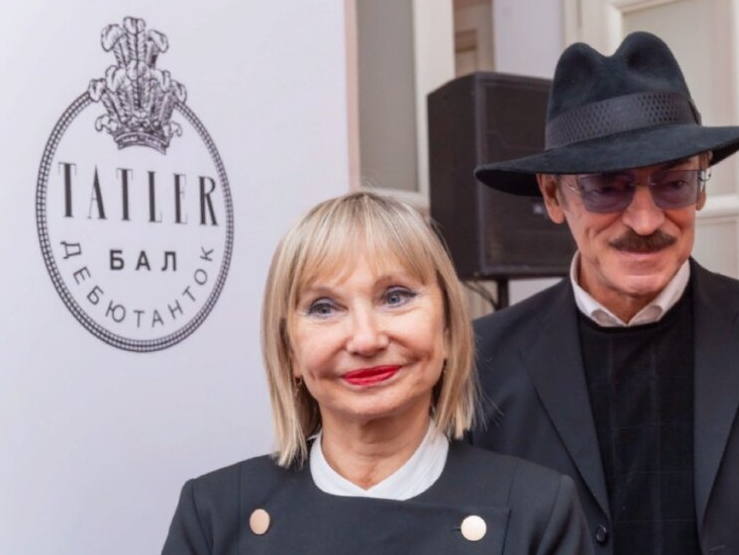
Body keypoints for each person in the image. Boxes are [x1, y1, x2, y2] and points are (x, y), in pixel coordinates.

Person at [468, 31, 739, 555]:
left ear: (702, 187)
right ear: (554, 196)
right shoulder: (483, 361)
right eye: (607, 188)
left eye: (673, 183)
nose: (646, 221)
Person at [161, 192, 593, 555]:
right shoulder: (213, 514)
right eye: (324, 308)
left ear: (447, 329)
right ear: (290, 350)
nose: (365, 339)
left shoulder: (538, 511)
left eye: (395, 297)